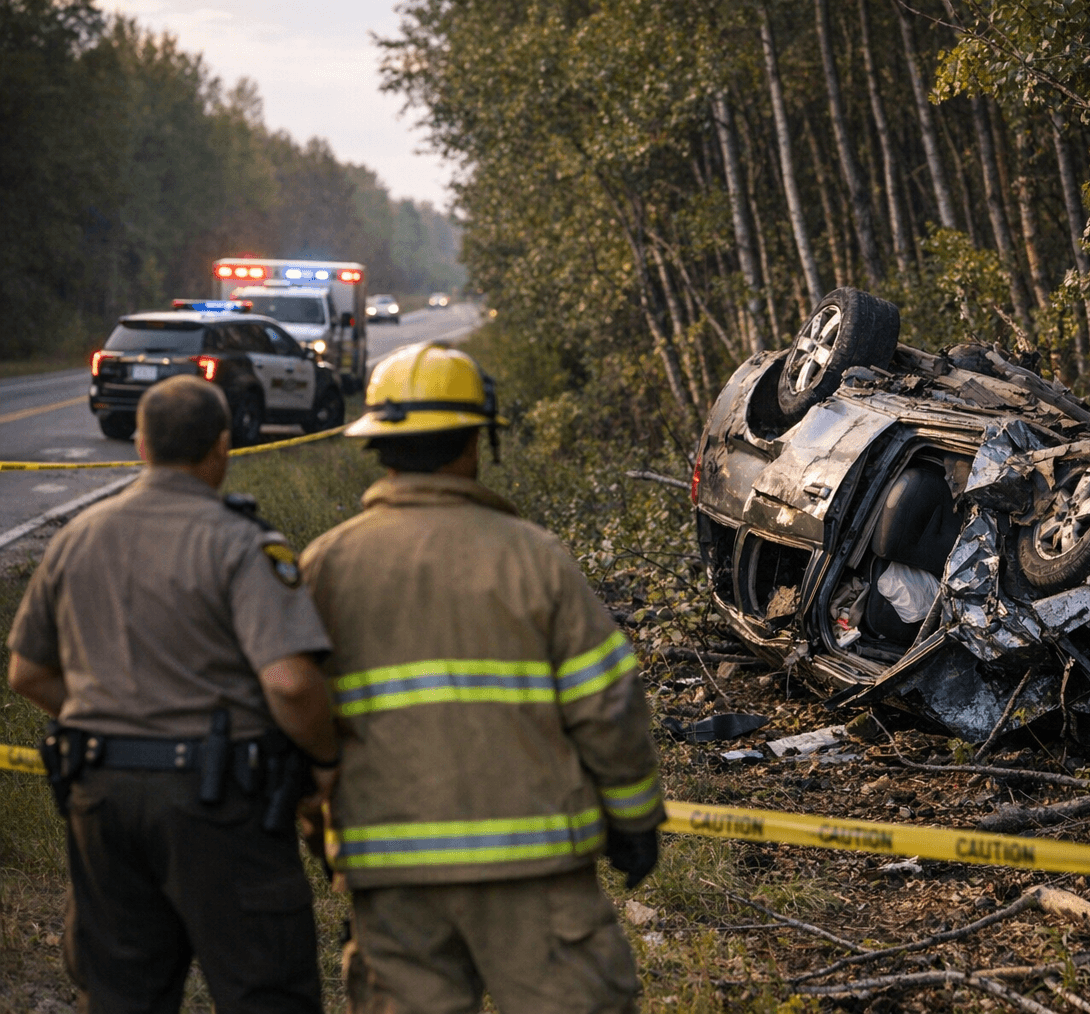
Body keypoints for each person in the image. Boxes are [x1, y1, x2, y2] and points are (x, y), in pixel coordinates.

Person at [299, 341, 663, 1014]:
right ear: (475, 442)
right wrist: (635, 820)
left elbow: (298, 715)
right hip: (537, 872)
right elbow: (606, 705)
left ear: (378, 446)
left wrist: (321, 828)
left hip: (392, 878)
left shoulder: (324, 565)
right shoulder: (536, 558)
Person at [6, 374, 339, 1014]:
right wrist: (325, 762)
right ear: (222, 446)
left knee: (118, 994)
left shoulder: (77, 536)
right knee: (264, 990)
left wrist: (111, 720)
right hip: (219, 802)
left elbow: (26, 672)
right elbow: (291, 683)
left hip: (99, 793)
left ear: (140, 446)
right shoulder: (241, 542)